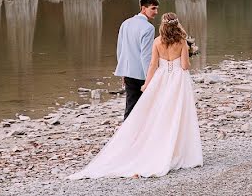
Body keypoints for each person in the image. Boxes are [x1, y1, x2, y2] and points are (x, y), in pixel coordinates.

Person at [68, 12, 203, 179]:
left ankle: (157, 146)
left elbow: (153, 64)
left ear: (163, 25)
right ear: (177, 25)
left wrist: (147, 84)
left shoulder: (157, 42)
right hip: (177, 80)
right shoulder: (182, 42)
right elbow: (184, 66)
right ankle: (177, 149)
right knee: (177, 112)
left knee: (159, 113)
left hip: (161, 79)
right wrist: (187, 54)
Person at [114, 0, 158, 120]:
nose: (156, 12)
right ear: (143, 8)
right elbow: (146, 55)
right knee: (146, 106)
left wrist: (122, 71)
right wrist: (149, 77)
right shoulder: (148, 28)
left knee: (130, 105)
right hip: (141, 74)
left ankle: (127, 133)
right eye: (153, 8)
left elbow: (120, 49)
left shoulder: (125, 23)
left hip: (128, 72)